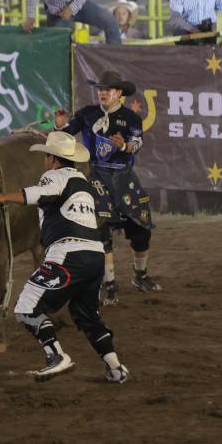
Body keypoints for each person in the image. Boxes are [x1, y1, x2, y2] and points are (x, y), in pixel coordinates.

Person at [0, 131, 130, 383]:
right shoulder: (83, 183)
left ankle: (56, 356)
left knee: (26, 307)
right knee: (87, 316)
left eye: (46, 156)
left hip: (68, 254)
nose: (44, 161)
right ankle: (116, 368)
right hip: (94, 257)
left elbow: (37, 194)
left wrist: (2, 197)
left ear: (52, 158)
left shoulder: (55, 176)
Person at [54, 71, 157, 306]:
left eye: (107, 89)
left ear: (118, 93)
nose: (102, 92)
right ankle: (109, 287)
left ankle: (140, 276)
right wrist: (59, 126)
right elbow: (64, 134)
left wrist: (126, 147)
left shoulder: (131, 118)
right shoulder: (87, 114)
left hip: (124, 177)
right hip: (96, 176)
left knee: (142, 231)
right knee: (102, 233)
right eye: (100, 89)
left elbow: (137, 143)